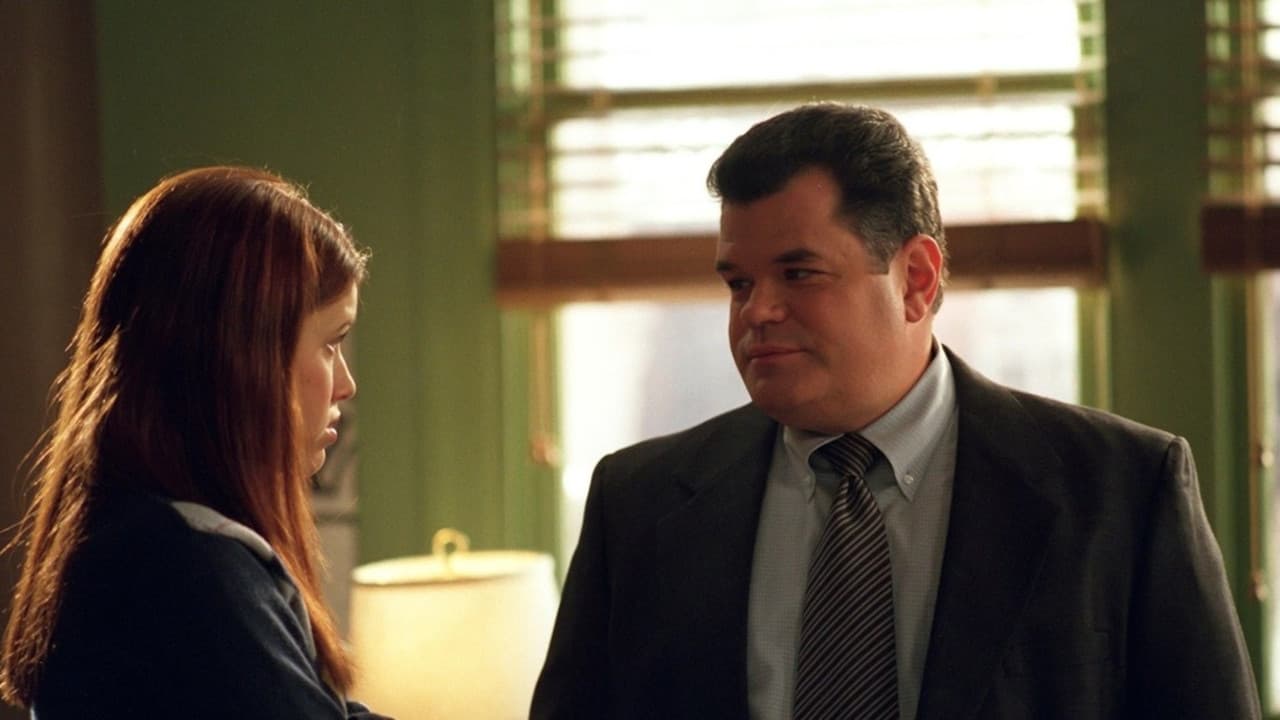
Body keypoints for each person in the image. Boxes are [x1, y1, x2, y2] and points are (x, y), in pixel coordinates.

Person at [530, 103, 1260, 719]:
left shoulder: (1121, 491)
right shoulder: (640, 505)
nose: (757, 312)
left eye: (798, 273)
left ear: (916, 279)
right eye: (738, 283)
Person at [0, 166, 391, 719]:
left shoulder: (146, 543)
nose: (345, 385)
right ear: (243, 356)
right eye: (331, 344)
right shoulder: (184, 569)